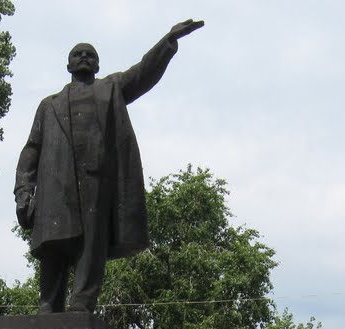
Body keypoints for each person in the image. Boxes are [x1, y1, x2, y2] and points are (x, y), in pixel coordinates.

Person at [14, 19, 204, 314]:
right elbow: (31, 150)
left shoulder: (110, 89)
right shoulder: (48, 105)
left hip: (96, 182)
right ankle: (48, 304)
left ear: (98, 66)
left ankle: (82, 303)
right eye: (78, 54)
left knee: (91, 245)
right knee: (53, 243)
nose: (84, 57)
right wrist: (23, 192)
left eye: (90, 54)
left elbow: (142, 73)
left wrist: (168, 42)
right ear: (68, 66)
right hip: (56, 186)